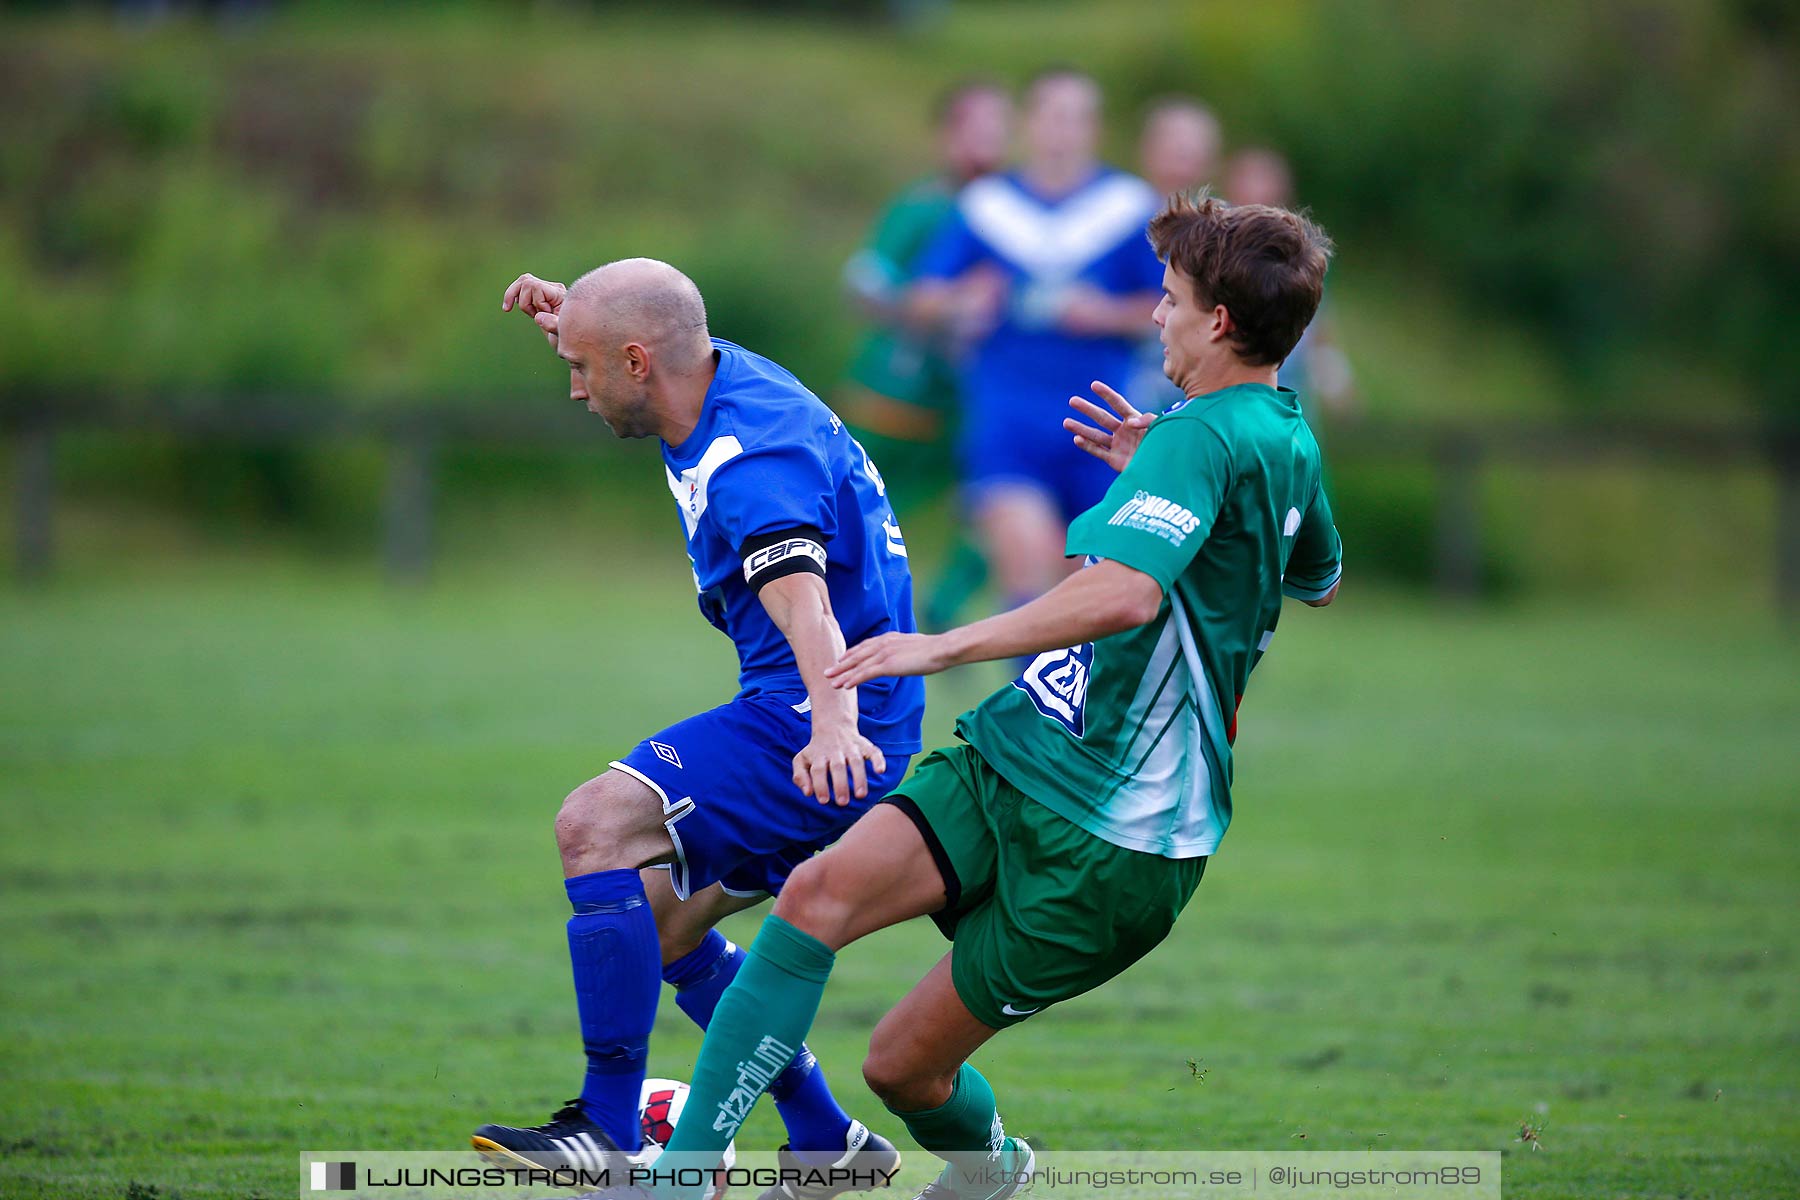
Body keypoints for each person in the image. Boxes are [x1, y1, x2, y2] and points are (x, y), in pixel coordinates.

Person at [648, 194, 1343, 1200]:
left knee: (902, 1069)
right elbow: (1311, 571)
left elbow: (1127, 593)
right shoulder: (1272, 433)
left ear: (1221, 323)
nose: (1157, 317)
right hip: (1017, 752)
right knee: (813, 897)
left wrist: (942, 644)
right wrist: (1173, 483)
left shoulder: (1206, 440)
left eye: (1170, 299)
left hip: (1115, 833)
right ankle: (684, 1175)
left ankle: (994, 1173)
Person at [470, 259, 921, 1195]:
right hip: (836, 707)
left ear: (637, 363)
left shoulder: (748, 459)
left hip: (818, 712)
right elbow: (660, 329)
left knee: (594, 825)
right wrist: (579, 316)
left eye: (585, 369)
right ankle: (828, 1140)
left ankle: (607, 1128)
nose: (574, 387)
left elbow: (806, 609)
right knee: (664, 932)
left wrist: (832, 724)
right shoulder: (714, 373)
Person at [908, 67, 1164, 614]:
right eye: (1052, 115)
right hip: (1008, 410)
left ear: (1095, 128)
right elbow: (924, 297)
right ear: (1028, 123)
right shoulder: (988, 207)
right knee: (1025, 568)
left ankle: (1073, 697)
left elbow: (1168, 310)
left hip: (1102, 420)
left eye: (1077, 117)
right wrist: (964, 300)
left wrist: (1106, 313)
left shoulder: (1127, 207)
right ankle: (1028, 696)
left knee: (1081, 587)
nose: (1063, 130)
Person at [837, 79, 1011, 633]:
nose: (986, 139)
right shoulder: (922, 207)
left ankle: (943, 608)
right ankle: (837, 615)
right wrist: (930, 307)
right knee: (860, 507)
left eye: (997, 126)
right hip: (899, 393)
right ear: (948, 134)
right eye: (974, 125)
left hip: (976, 397)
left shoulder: (1019, 213)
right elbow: (864, 285)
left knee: (1005, 500)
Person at [1223, 148, 1357, 417]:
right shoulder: (1211, 248)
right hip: (1223, 390)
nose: (1258, 193)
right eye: (1250, 181)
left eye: (1266, 184)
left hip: (1284, 390)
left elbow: (1319, 327)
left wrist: (1334, 375)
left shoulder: (1302, 254)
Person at [1130, 96, 1224, 411]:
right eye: (1174, 149)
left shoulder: (1227, 229)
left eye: (1192, 151)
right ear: (1148, 152)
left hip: (1206, 383)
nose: (1182, 161)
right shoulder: (1116, 217)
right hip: (1132, 374)